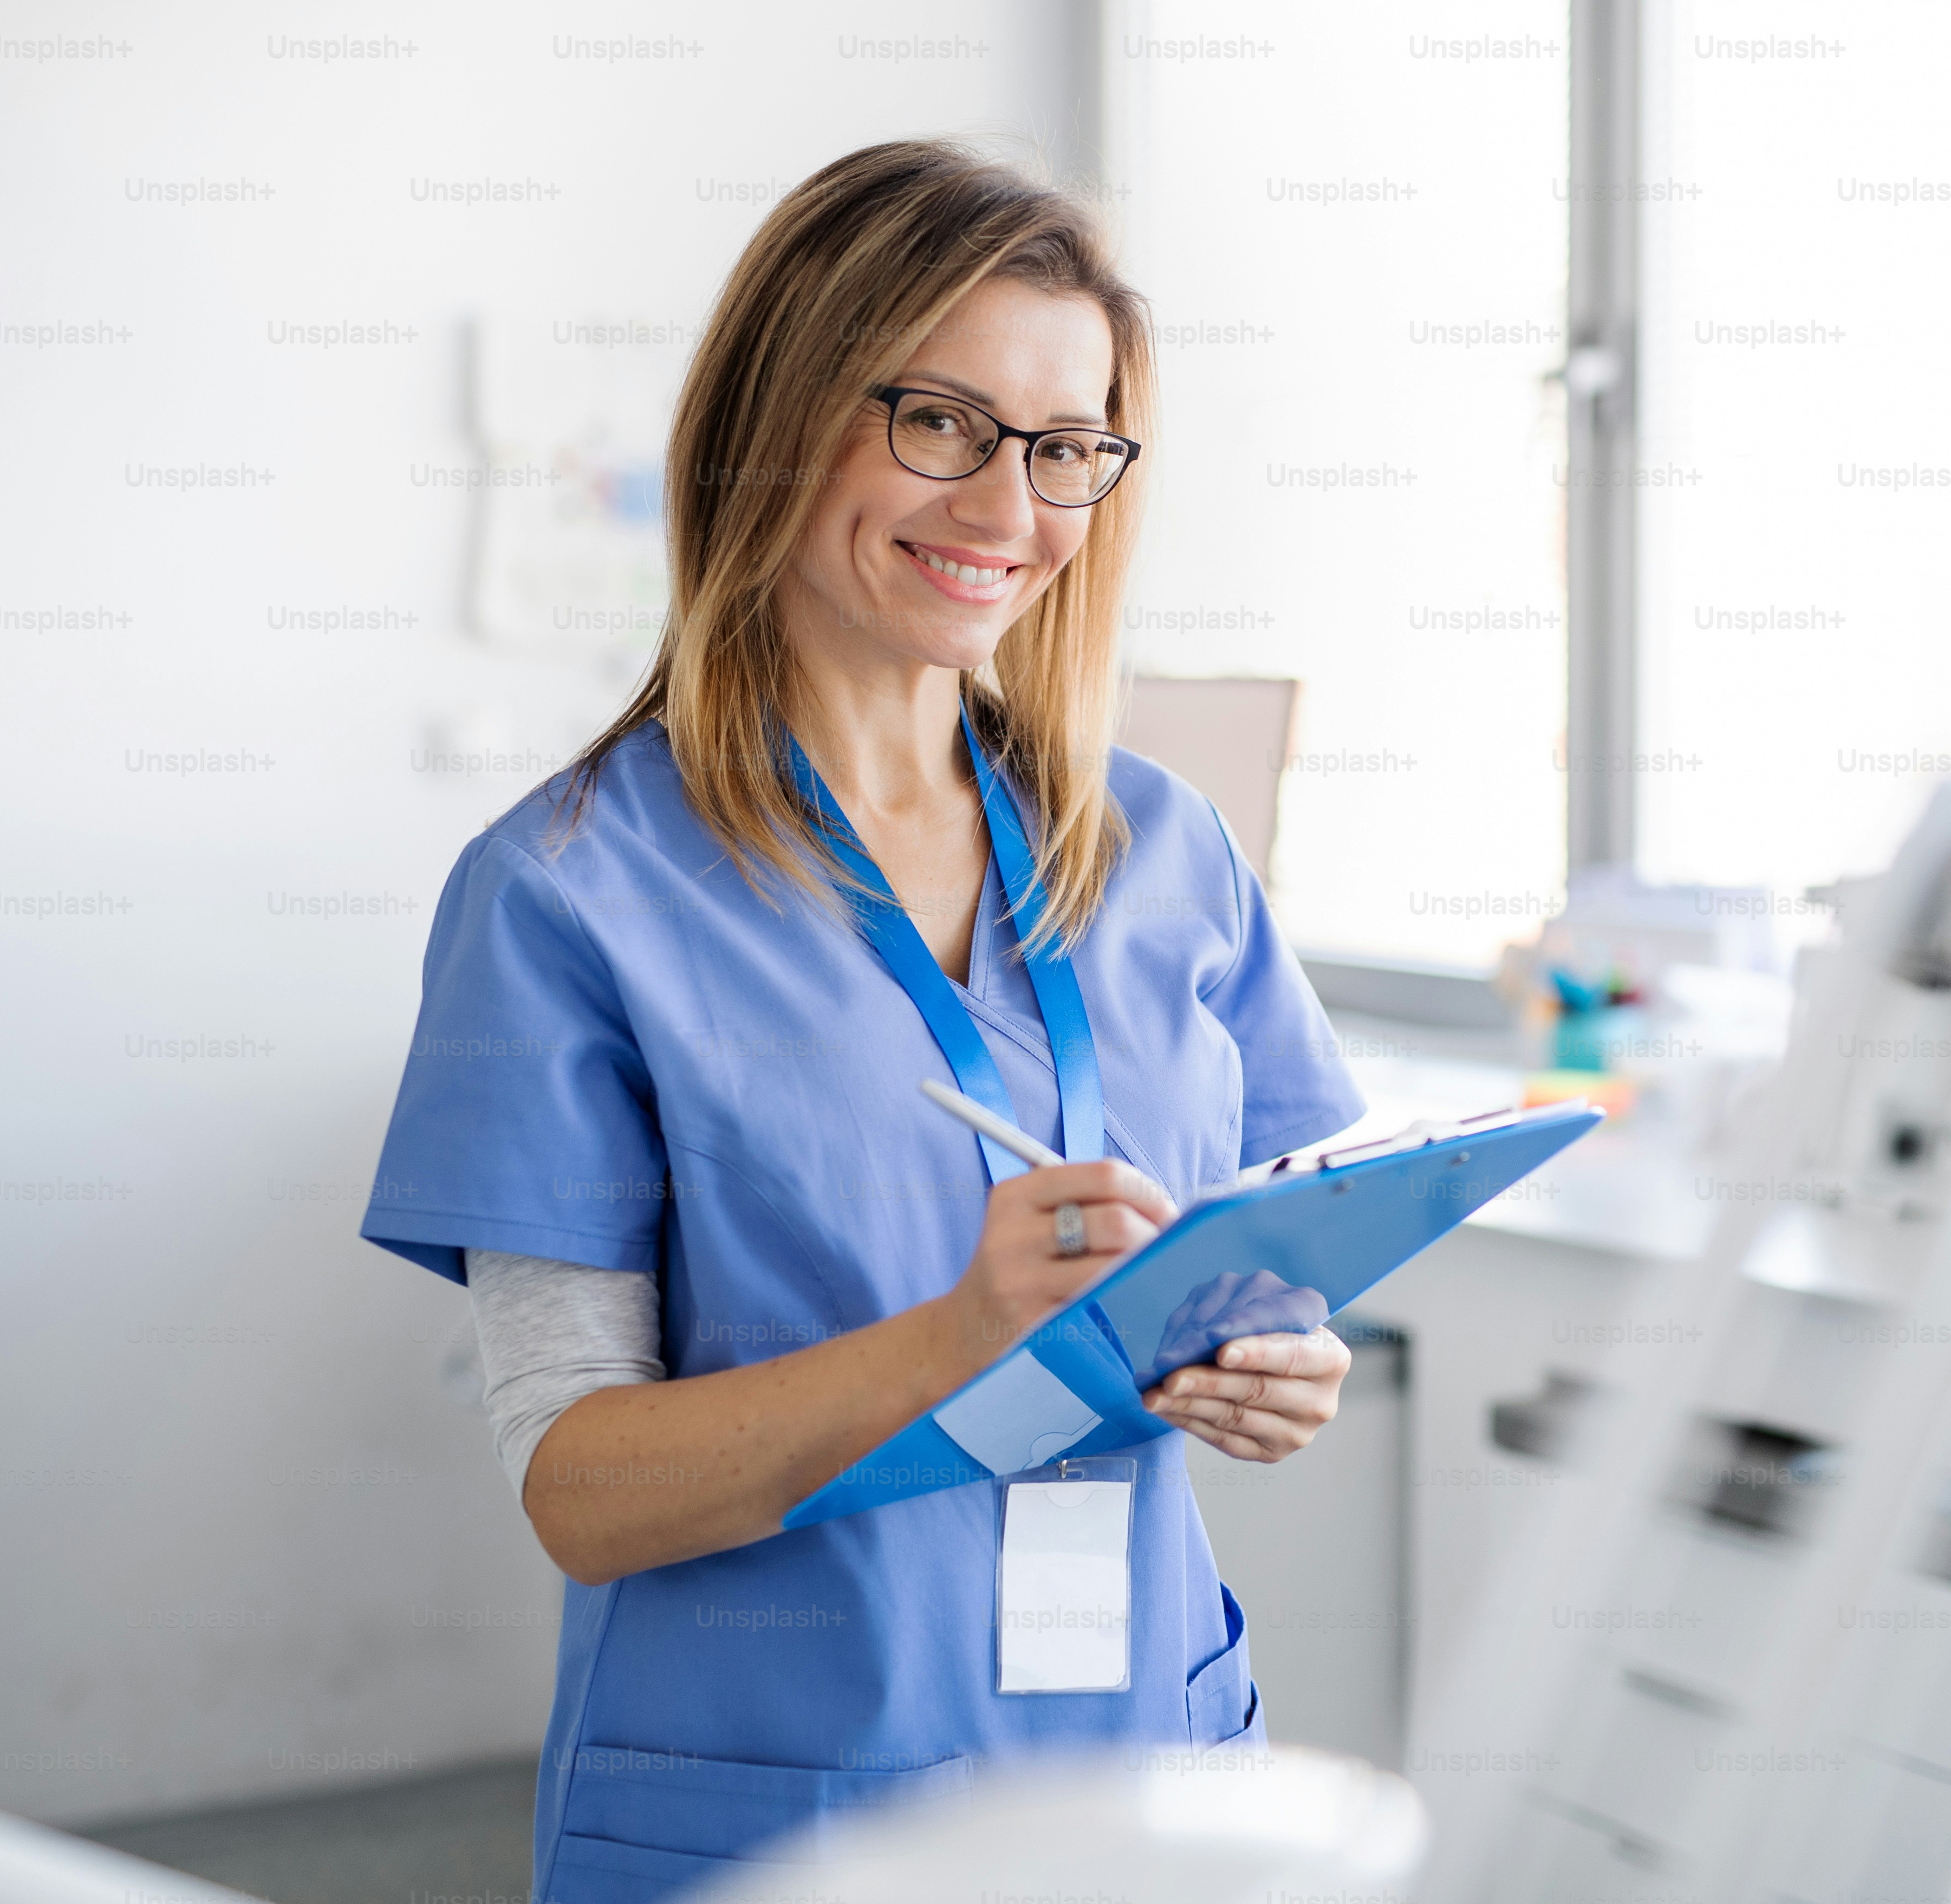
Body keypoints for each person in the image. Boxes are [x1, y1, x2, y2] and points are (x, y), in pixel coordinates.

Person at [359, 140, 1366, 1901]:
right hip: (781, 1796)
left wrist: (1275, 1364)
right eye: (940, 421)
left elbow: (1255, 1247)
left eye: (1063, 448)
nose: (1007, 510)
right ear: (781, 410)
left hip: (1146, 1749)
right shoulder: (569, 893)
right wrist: (964, 1328)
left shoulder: (1163, 851)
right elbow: (579, 1485)